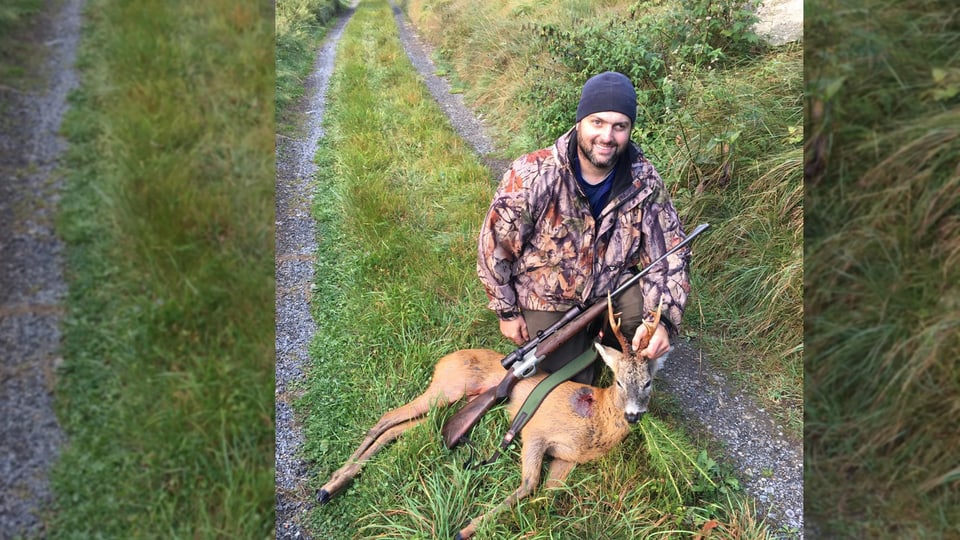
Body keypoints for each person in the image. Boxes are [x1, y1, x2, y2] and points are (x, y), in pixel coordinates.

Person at [477, 71, 691, 384]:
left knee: (643, 321)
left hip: (611, 289)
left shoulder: (644, 180)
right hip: (549, 297)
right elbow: (494, 246)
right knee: (572, 386)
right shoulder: (532, 174)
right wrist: (507, 312)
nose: (607, 136)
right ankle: (585, 353)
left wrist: (663, 323)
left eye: (620, 126)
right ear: (580, 122)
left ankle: (621, 355)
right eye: (598, 123)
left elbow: (671, 255)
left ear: (630, 130)